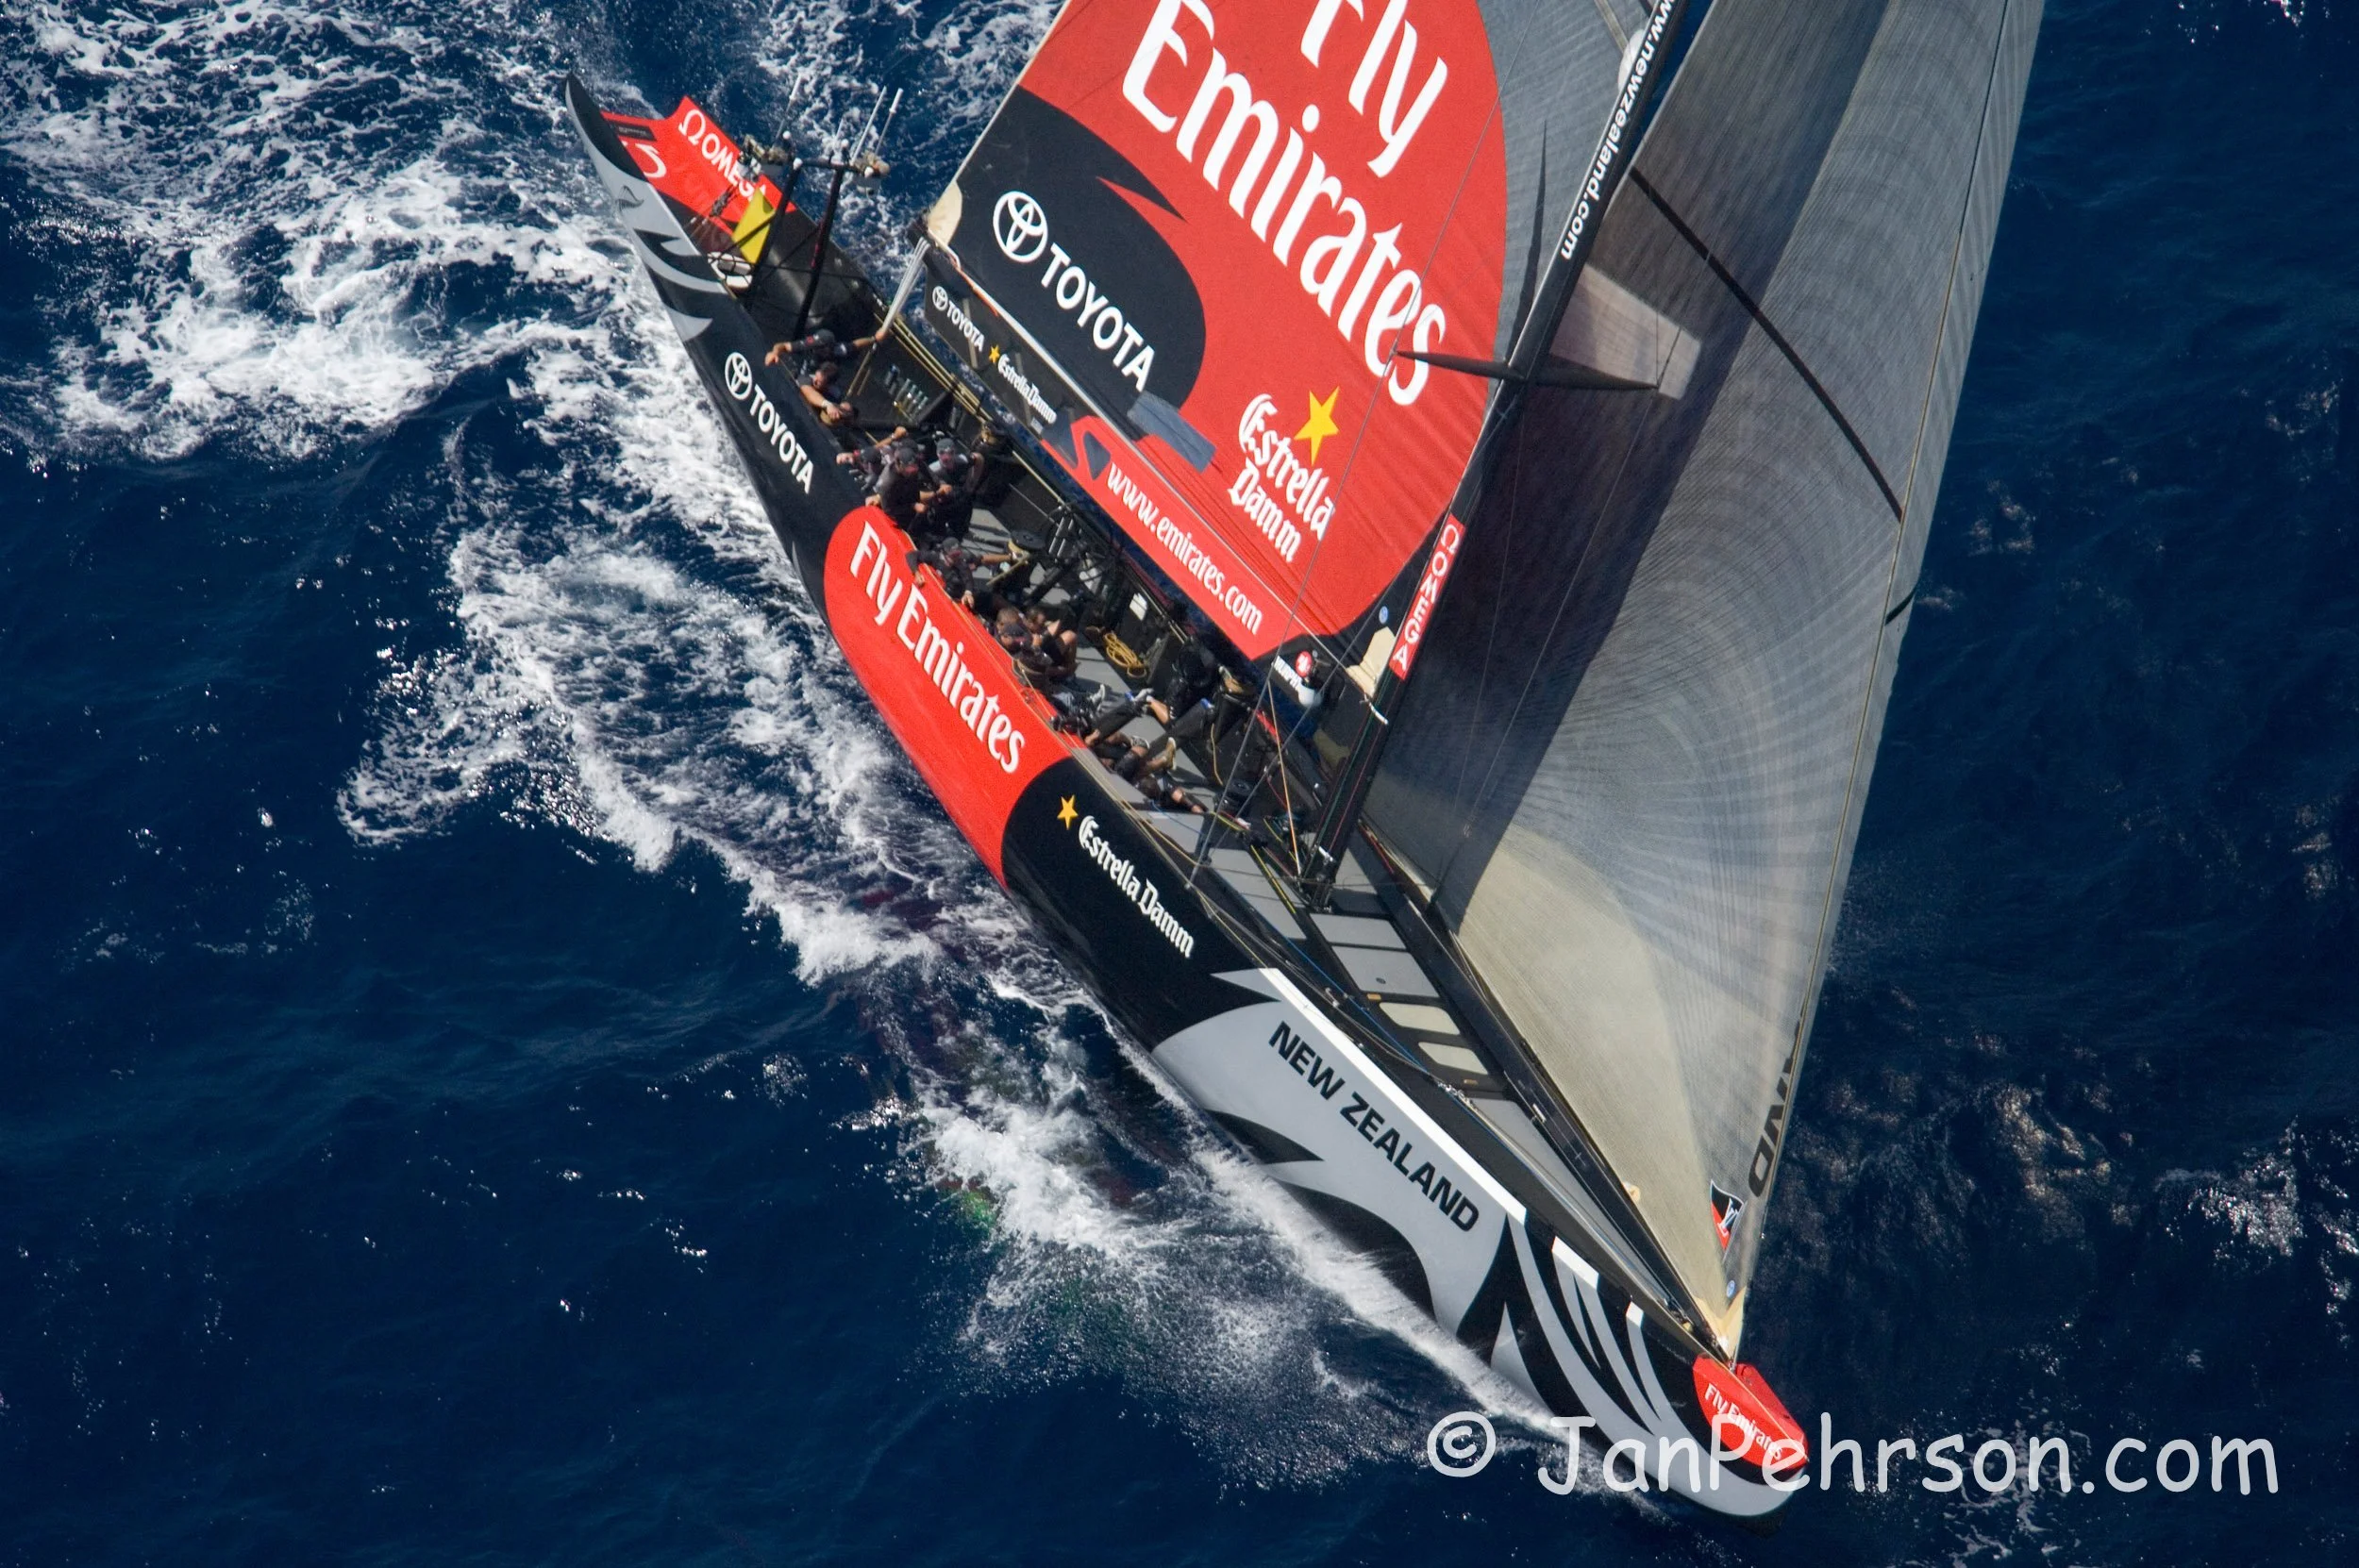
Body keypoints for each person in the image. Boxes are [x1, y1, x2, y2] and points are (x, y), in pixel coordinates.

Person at [764, 326, 879, 367]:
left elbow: (855, 345)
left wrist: (874, 339)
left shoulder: (837, 350)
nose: (818, 348)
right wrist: (775, 352)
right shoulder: (810, 345)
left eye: (822, 347)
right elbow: (783, 346)